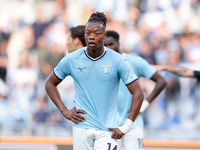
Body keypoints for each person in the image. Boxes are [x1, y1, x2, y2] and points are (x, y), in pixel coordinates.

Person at [45, 12, 144, 150]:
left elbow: (138, 93)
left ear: (104, 36)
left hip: (107, 129)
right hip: (81, 128)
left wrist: (126, 126)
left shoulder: (118, 60)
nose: (91, 36)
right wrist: (64, 110)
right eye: (88, 33)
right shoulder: (71, 59)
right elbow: (50, 83)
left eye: (97, 33)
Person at [104, 31, 167, 150]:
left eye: (110, 44)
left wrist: (144, 105)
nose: (108, 48)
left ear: (118, 43)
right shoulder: (101, 65)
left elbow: (161, 81)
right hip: (109, 124)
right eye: (104, 46)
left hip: (133, 123)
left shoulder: (134, 61)